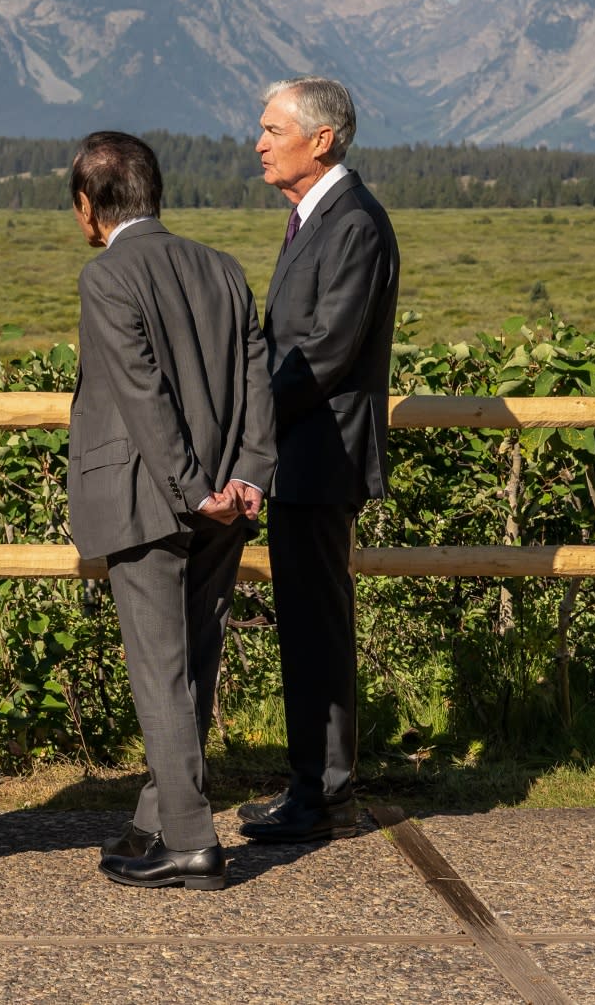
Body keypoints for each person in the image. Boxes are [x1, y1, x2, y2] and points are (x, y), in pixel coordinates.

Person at [67, 131, 276, 891]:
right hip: (226, 497)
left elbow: (142, 397)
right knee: (194, 661)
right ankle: (159, 815)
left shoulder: (106, 277)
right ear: (154, 191)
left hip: (151, 499)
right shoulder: (223, 269)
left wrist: (192, 487)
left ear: (89, 205)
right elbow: (259, 377)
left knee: (160, 672)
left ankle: (190, 840)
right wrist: (248, 476)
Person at [237, 75, 400, 845]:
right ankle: (311, 785)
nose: (260, 142)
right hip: (302, 452)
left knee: (318, 627)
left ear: (321, 139)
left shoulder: (355, 224)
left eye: (273, 129)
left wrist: (248, 418)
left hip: (321, 452)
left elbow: (326, 350)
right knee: (303, 623)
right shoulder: (316, 218)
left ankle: (327, 796)